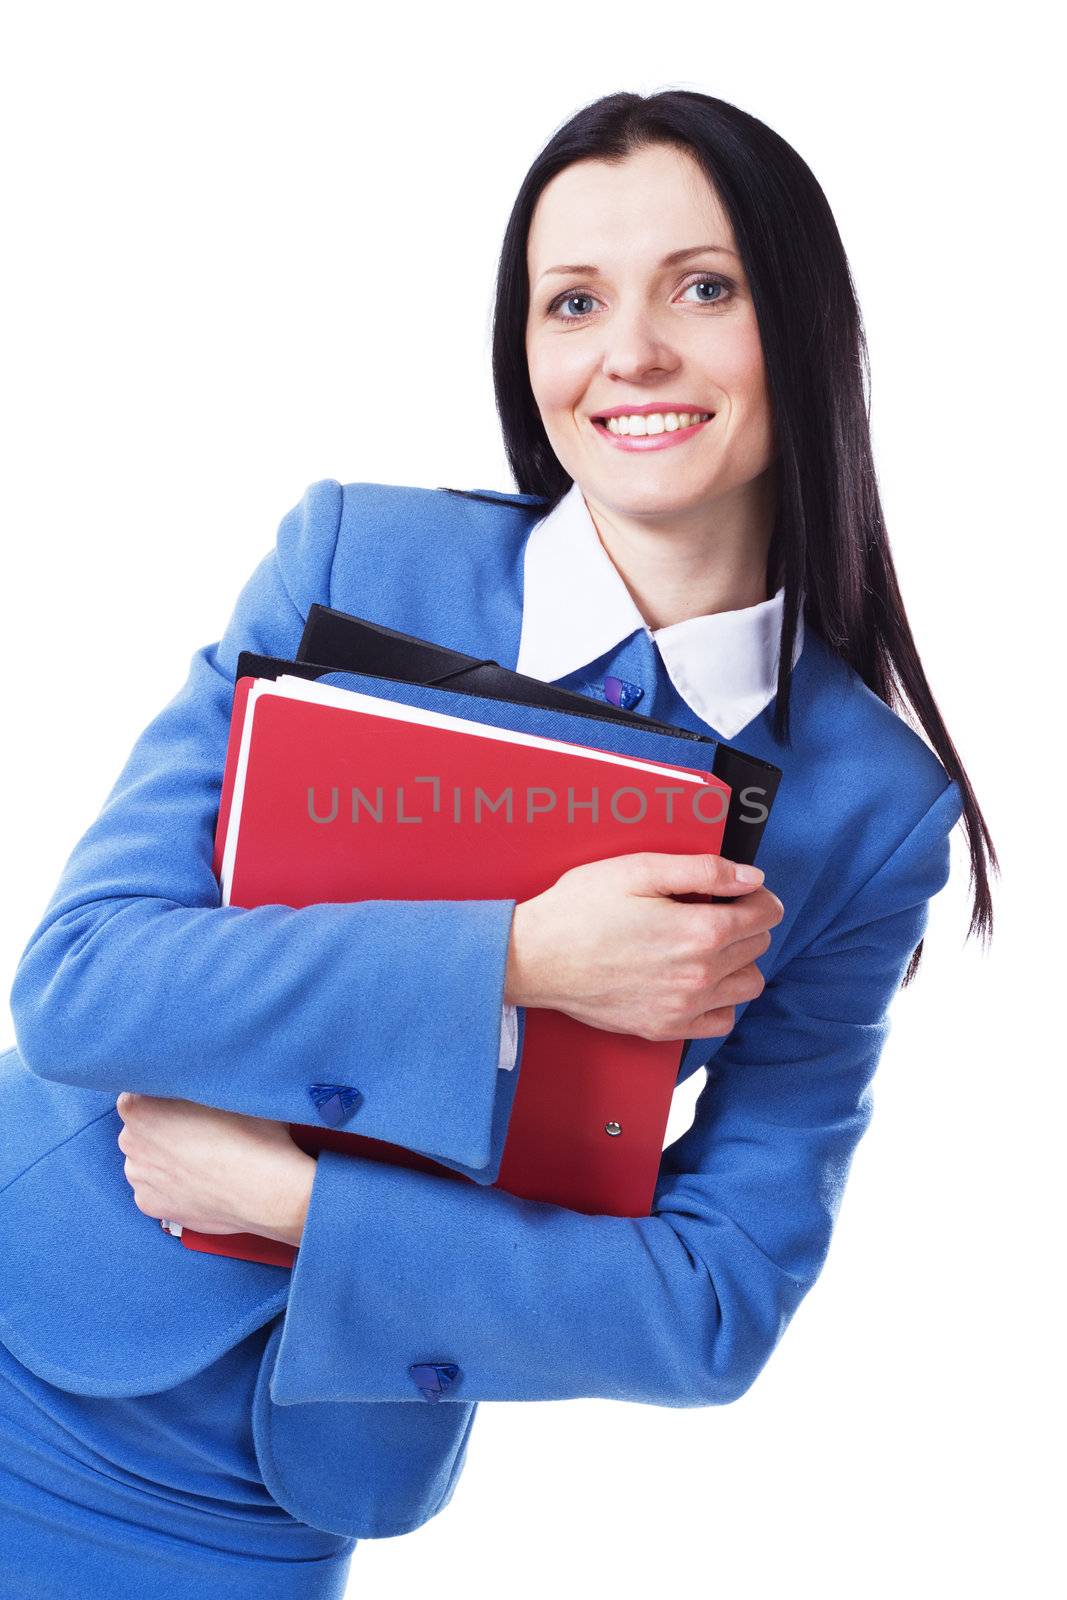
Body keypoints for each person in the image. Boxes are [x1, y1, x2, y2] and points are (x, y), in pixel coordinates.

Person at [0, 89, 996, 1595]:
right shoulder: (357, 559)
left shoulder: (865, 806)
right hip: (29, 1298)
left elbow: (710, 1310)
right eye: (573, 301)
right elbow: (79, 989)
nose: (631, 354)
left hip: (284, 1484)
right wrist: (523, 958)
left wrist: (297, 1208)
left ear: (800, 324)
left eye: (703, 289)